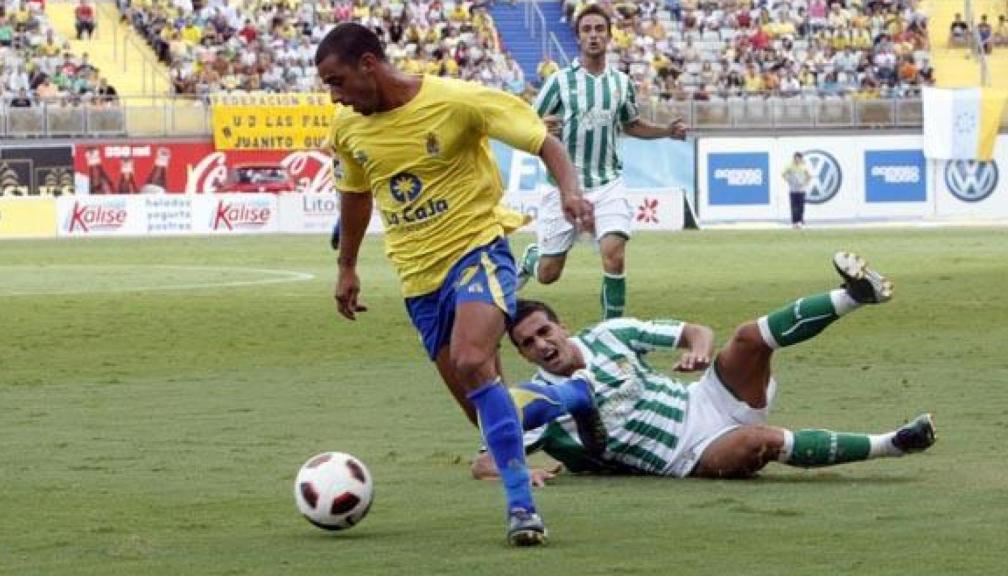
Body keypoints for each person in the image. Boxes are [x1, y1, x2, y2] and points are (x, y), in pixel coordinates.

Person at [317, 23, 595, 546]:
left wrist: (569, 193)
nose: (334, 95)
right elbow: (355, 195)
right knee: (483, 410)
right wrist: (347, 266)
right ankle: (573, 404)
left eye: (337, 81)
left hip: (477, 250)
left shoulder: (458, 101)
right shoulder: (347, 129)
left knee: (472, 360)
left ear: (368, 65)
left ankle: (521, 509)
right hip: (418, 280)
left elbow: (545, 142)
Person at [472, 252, 936, 481]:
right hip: (691, 453)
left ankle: (854, 296)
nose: (541, 345)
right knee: (761, 442)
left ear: (561, 326)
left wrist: (697, 351)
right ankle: (892, 445)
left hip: (706, 396)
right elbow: (484, 461)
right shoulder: (537, 398)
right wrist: (517, 472)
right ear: (522, 354)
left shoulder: (609, 335)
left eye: (544, 332)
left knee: (747, 338)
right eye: (528, 343)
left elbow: (696, 331)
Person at [516, 3, 687, 321]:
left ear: (609, 37)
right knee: (548, 274)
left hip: (609, 184)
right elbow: (526, 123)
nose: (593, 36)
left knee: (614, 256)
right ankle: (531, 259)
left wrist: (666, 131)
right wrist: (541, 127)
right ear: (578, 38)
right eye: (586, 30)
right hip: (565, 188)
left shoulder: (621, 83)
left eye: (599, 30)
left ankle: (613, 333)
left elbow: (631, 124)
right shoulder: (559, 82)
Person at [782, 152, 811, 229]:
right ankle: (794, 222)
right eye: (795, 158)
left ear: (801, 159)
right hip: (793, 190)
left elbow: (809, 176)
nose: (797, 160)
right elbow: (783, 174)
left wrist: (805, 183)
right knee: (794, 207)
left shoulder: (804, 167)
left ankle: (800, 222)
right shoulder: (790, 166)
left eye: (798, 158)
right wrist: (789, 180)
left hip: (801, 190)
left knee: (801, 207)